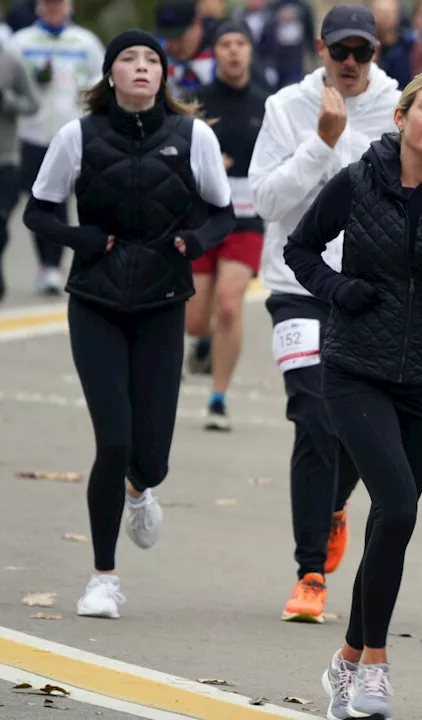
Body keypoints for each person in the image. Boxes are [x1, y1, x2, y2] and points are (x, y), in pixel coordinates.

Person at [284, 69, 422, 720]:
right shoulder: (357, 180)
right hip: (354, 368)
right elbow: (300, 250)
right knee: (401, 508)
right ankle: (376, 663)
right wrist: (336, 291)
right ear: (400, 118)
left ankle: (347, 658)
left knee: (390, 521)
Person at [22, 29, 233, 619]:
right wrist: (80, 238)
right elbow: (38, 211)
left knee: (153, 455)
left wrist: (194, 241)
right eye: (128, 59)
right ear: (109, 74)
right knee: (113, 440)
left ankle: (141, 492)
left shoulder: (193, 137)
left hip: (164, 302)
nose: (141, 67)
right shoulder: (77, 135)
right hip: (95, 301)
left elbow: (223, 213)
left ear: (164, 77)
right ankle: (103, 578)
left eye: (151, 60)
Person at [247, 3, 400, 623]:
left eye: (363, 52)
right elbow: (268, 200)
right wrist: (320, 144)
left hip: (367, 291)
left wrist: (341, 150)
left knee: (357, 429)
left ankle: (333, 505)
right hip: (294, 282)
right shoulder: (285, 107)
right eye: (341, 51)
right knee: (312, 413)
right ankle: (310, 572)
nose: (351, 64)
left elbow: (392, 190)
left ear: (377, 52)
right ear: (321, 48)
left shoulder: (397, 109)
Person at [184, 19, 270, 429]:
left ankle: (218, 397)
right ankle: (201, 341)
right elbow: (172, 154)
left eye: (240, 43)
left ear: (251, 51)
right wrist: (205, 167)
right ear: (213, 52)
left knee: (230, 307)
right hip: (202, 215)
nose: (233, 51)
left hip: (247, 217)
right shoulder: (194, 102)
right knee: (195, 318)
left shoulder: (267, 104)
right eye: (225, 44)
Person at [6, 0, 104, 295]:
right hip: (30, 133)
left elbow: (101, 77)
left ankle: (57, 264)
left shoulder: (84, 41)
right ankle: (43, 264)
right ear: (38, 7)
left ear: (69, 7)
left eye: (58, 4)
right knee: (38, 200)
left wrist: (85, 98)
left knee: (67, 200)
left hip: (70, 133)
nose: (53, 9)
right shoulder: (20, 42)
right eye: (48, 4)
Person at [0, 41, 40, 303]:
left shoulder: (11, 62)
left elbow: (33, 103)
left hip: (6, 157)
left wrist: (8, 101)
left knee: (0, 221)